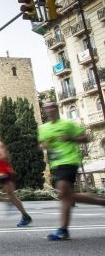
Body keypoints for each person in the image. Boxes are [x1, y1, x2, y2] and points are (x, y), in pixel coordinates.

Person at [39, 102, 105, 240]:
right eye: (47, 108)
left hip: (70, 160)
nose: (49, 109)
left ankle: (63, 229)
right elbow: (41, 144)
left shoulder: (67, 124)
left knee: (63, 192)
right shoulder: (43, 128)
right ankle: (101, 202)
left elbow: (86, 138)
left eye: (52, 107)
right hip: (56, 164)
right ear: (44, 111)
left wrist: (71, 138)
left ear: (56, 109)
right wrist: (44, 145)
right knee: (66, 196)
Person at [0, 129, 32, 227]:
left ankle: (25, 216)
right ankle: (7, 202)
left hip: (4, 173)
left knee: (12, 195)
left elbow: (3, 156)